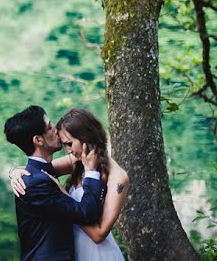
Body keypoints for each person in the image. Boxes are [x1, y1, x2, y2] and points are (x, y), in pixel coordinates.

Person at [10, 108, 129, 261]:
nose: (68, 150)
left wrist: (63, 194)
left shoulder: (118, 177)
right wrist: (14, 173)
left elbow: (99, 234)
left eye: (69, 144)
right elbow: (39, 173)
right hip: (70, 251)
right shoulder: (76, 161)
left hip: (96, 254)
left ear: (85, 138)